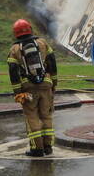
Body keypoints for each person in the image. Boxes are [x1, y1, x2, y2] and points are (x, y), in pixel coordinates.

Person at [7, 19, 58, 157]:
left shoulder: (14, 49)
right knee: (46, 115)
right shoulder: (42, 43)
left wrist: (18, 92)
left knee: (32, 117)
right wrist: (54, 83)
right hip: (46, 85)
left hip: (28, 88)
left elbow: (13, 72)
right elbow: (52, 63)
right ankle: (48, 146)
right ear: (30, 29)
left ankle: (37, 148)